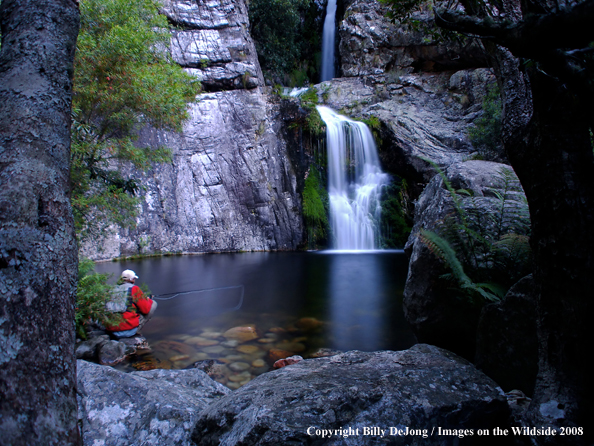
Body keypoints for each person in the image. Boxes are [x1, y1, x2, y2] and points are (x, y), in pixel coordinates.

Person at [105, 269, 157, 338]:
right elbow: (146, 309)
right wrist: (148, 300)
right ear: (132, 279)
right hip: (127, 331)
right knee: (153, 304)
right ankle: (135, 332)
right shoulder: (134, 289)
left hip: (111, 330)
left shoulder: (112, 289)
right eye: (134, 279)